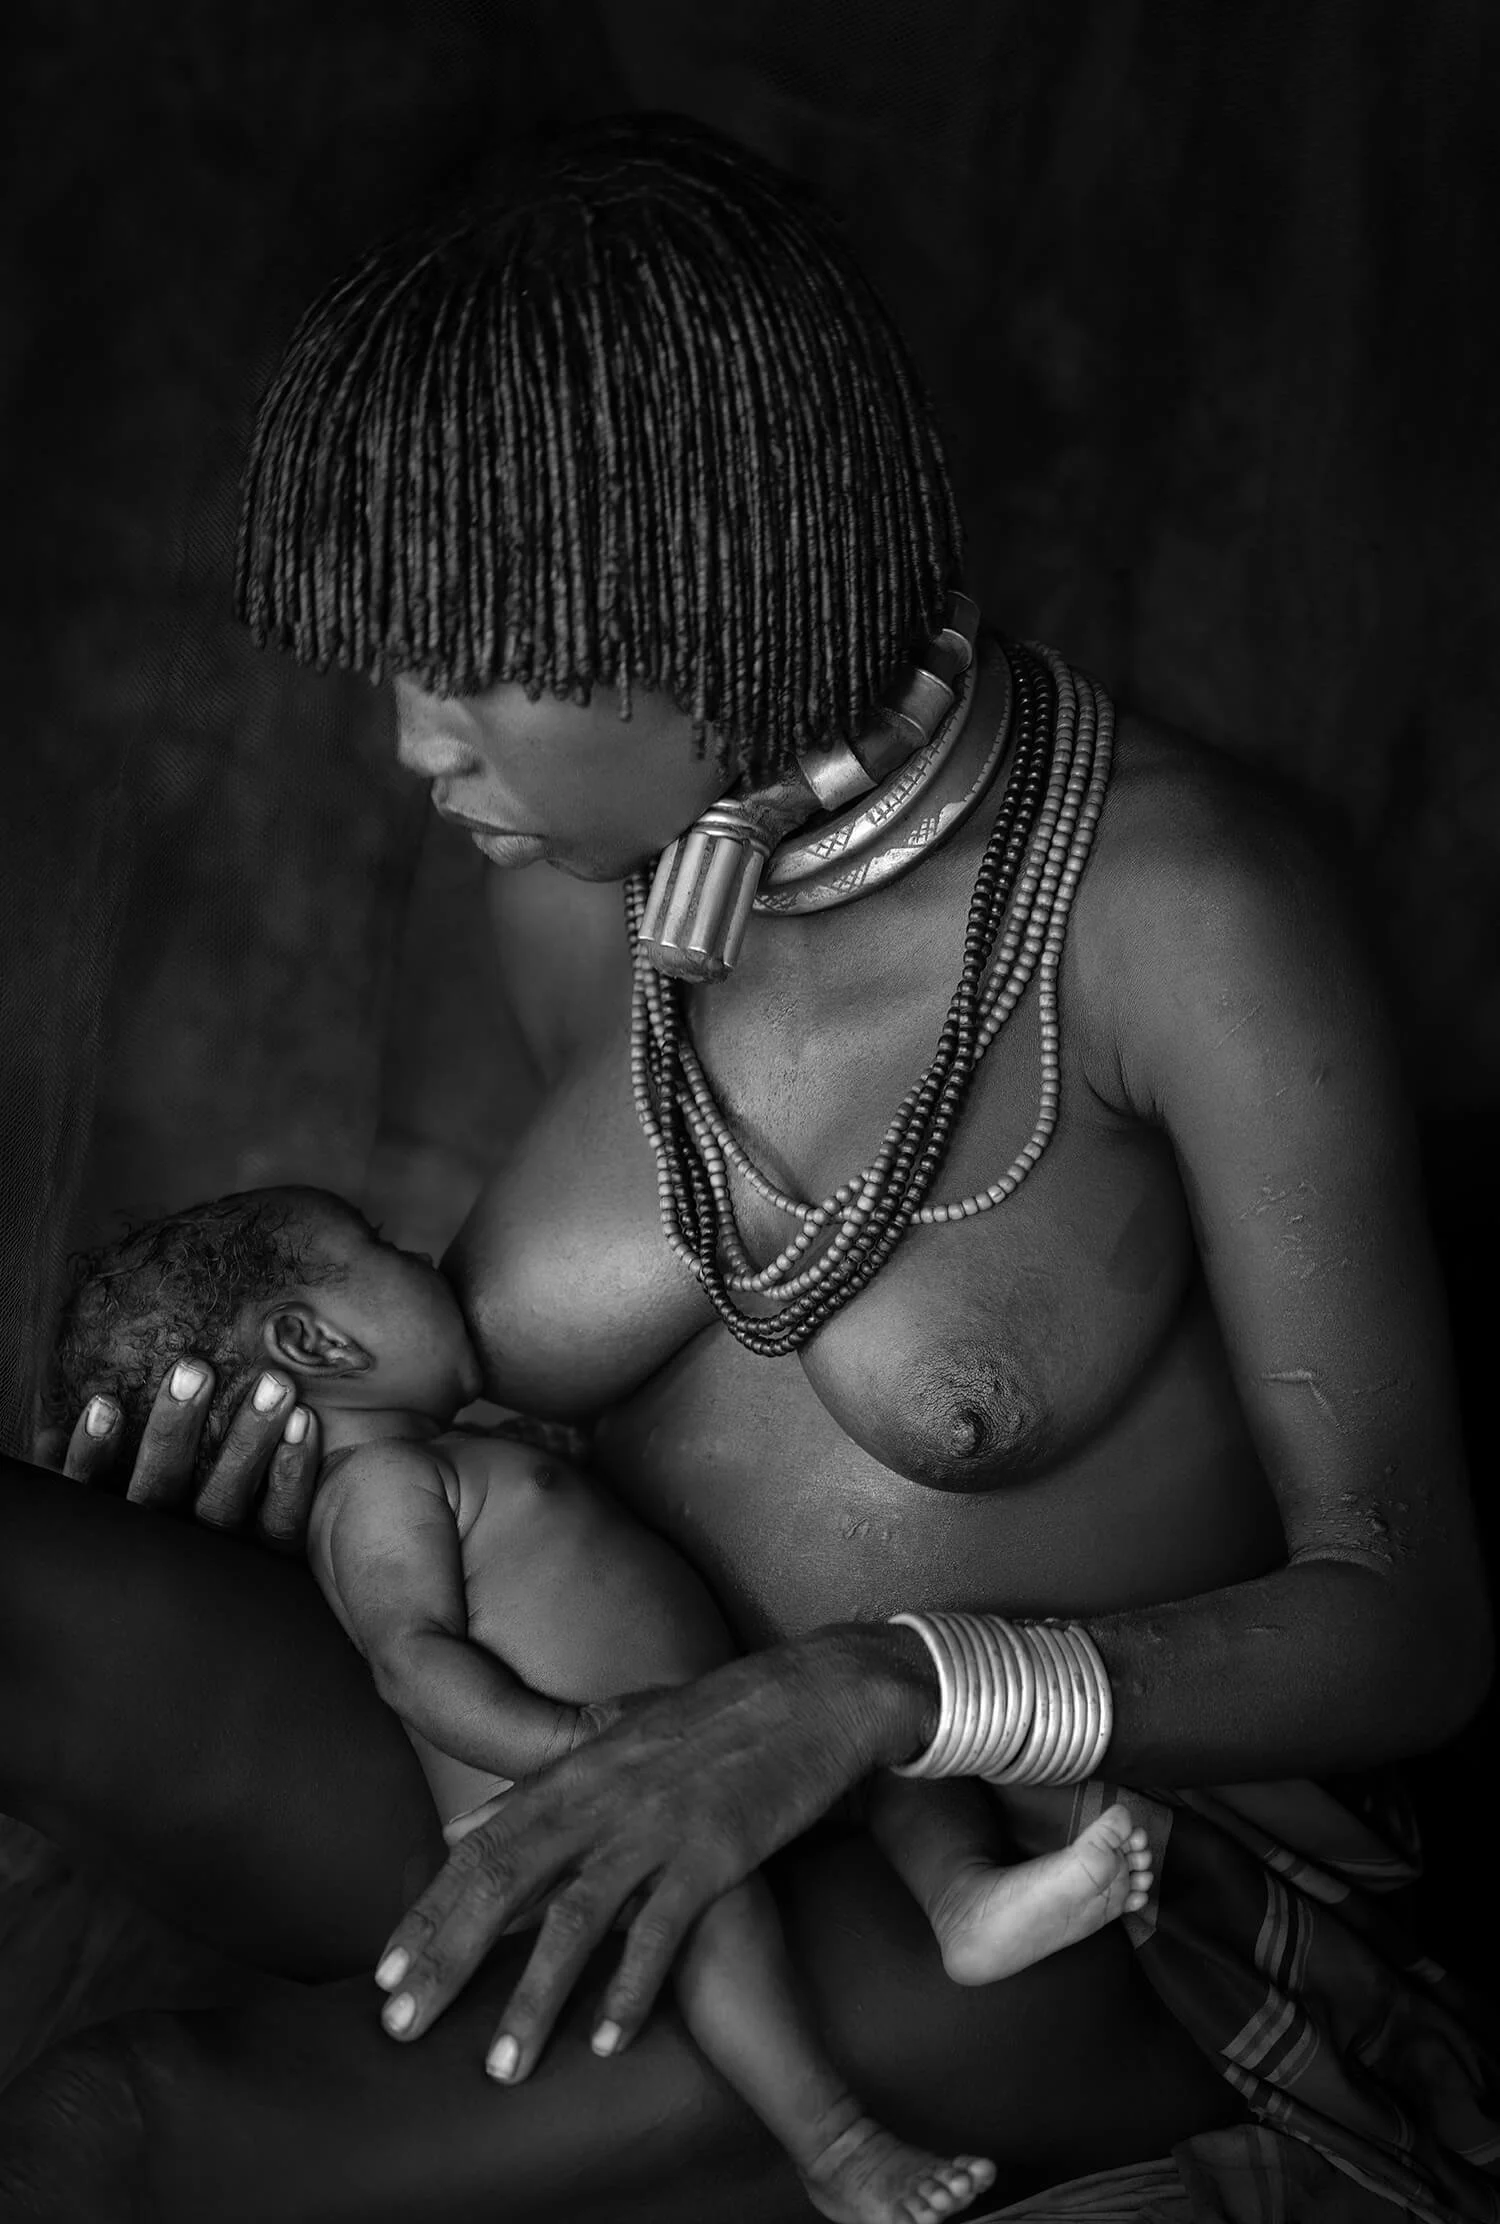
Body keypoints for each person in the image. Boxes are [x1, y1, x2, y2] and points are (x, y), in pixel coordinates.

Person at [2, 110, 1497, 2224]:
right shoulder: (586, 878)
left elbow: (1410, 1625)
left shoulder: (1187, 917)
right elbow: (631, 1390)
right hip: (595, 1711)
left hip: (1040, 1902)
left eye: (482, 667)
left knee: (126, 2132)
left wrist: (866, 1691)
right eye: (399, 666)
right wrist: (318, 1408)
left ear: (706, 603)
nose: (417, 747)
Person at [43, 1184, 1161, 2222]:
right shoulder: (377, 1491)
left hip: (710, 1745)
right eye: (379, 1250)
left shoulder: (447, 1456)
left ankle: (967, 1905)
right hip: (577, 1801)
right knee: (711, 1913)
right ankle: (837, 2145)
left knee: (901, 1765)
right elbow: (413, 1662)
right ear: (317, 1341)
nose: (417, 1251)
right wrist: (584, 1747)